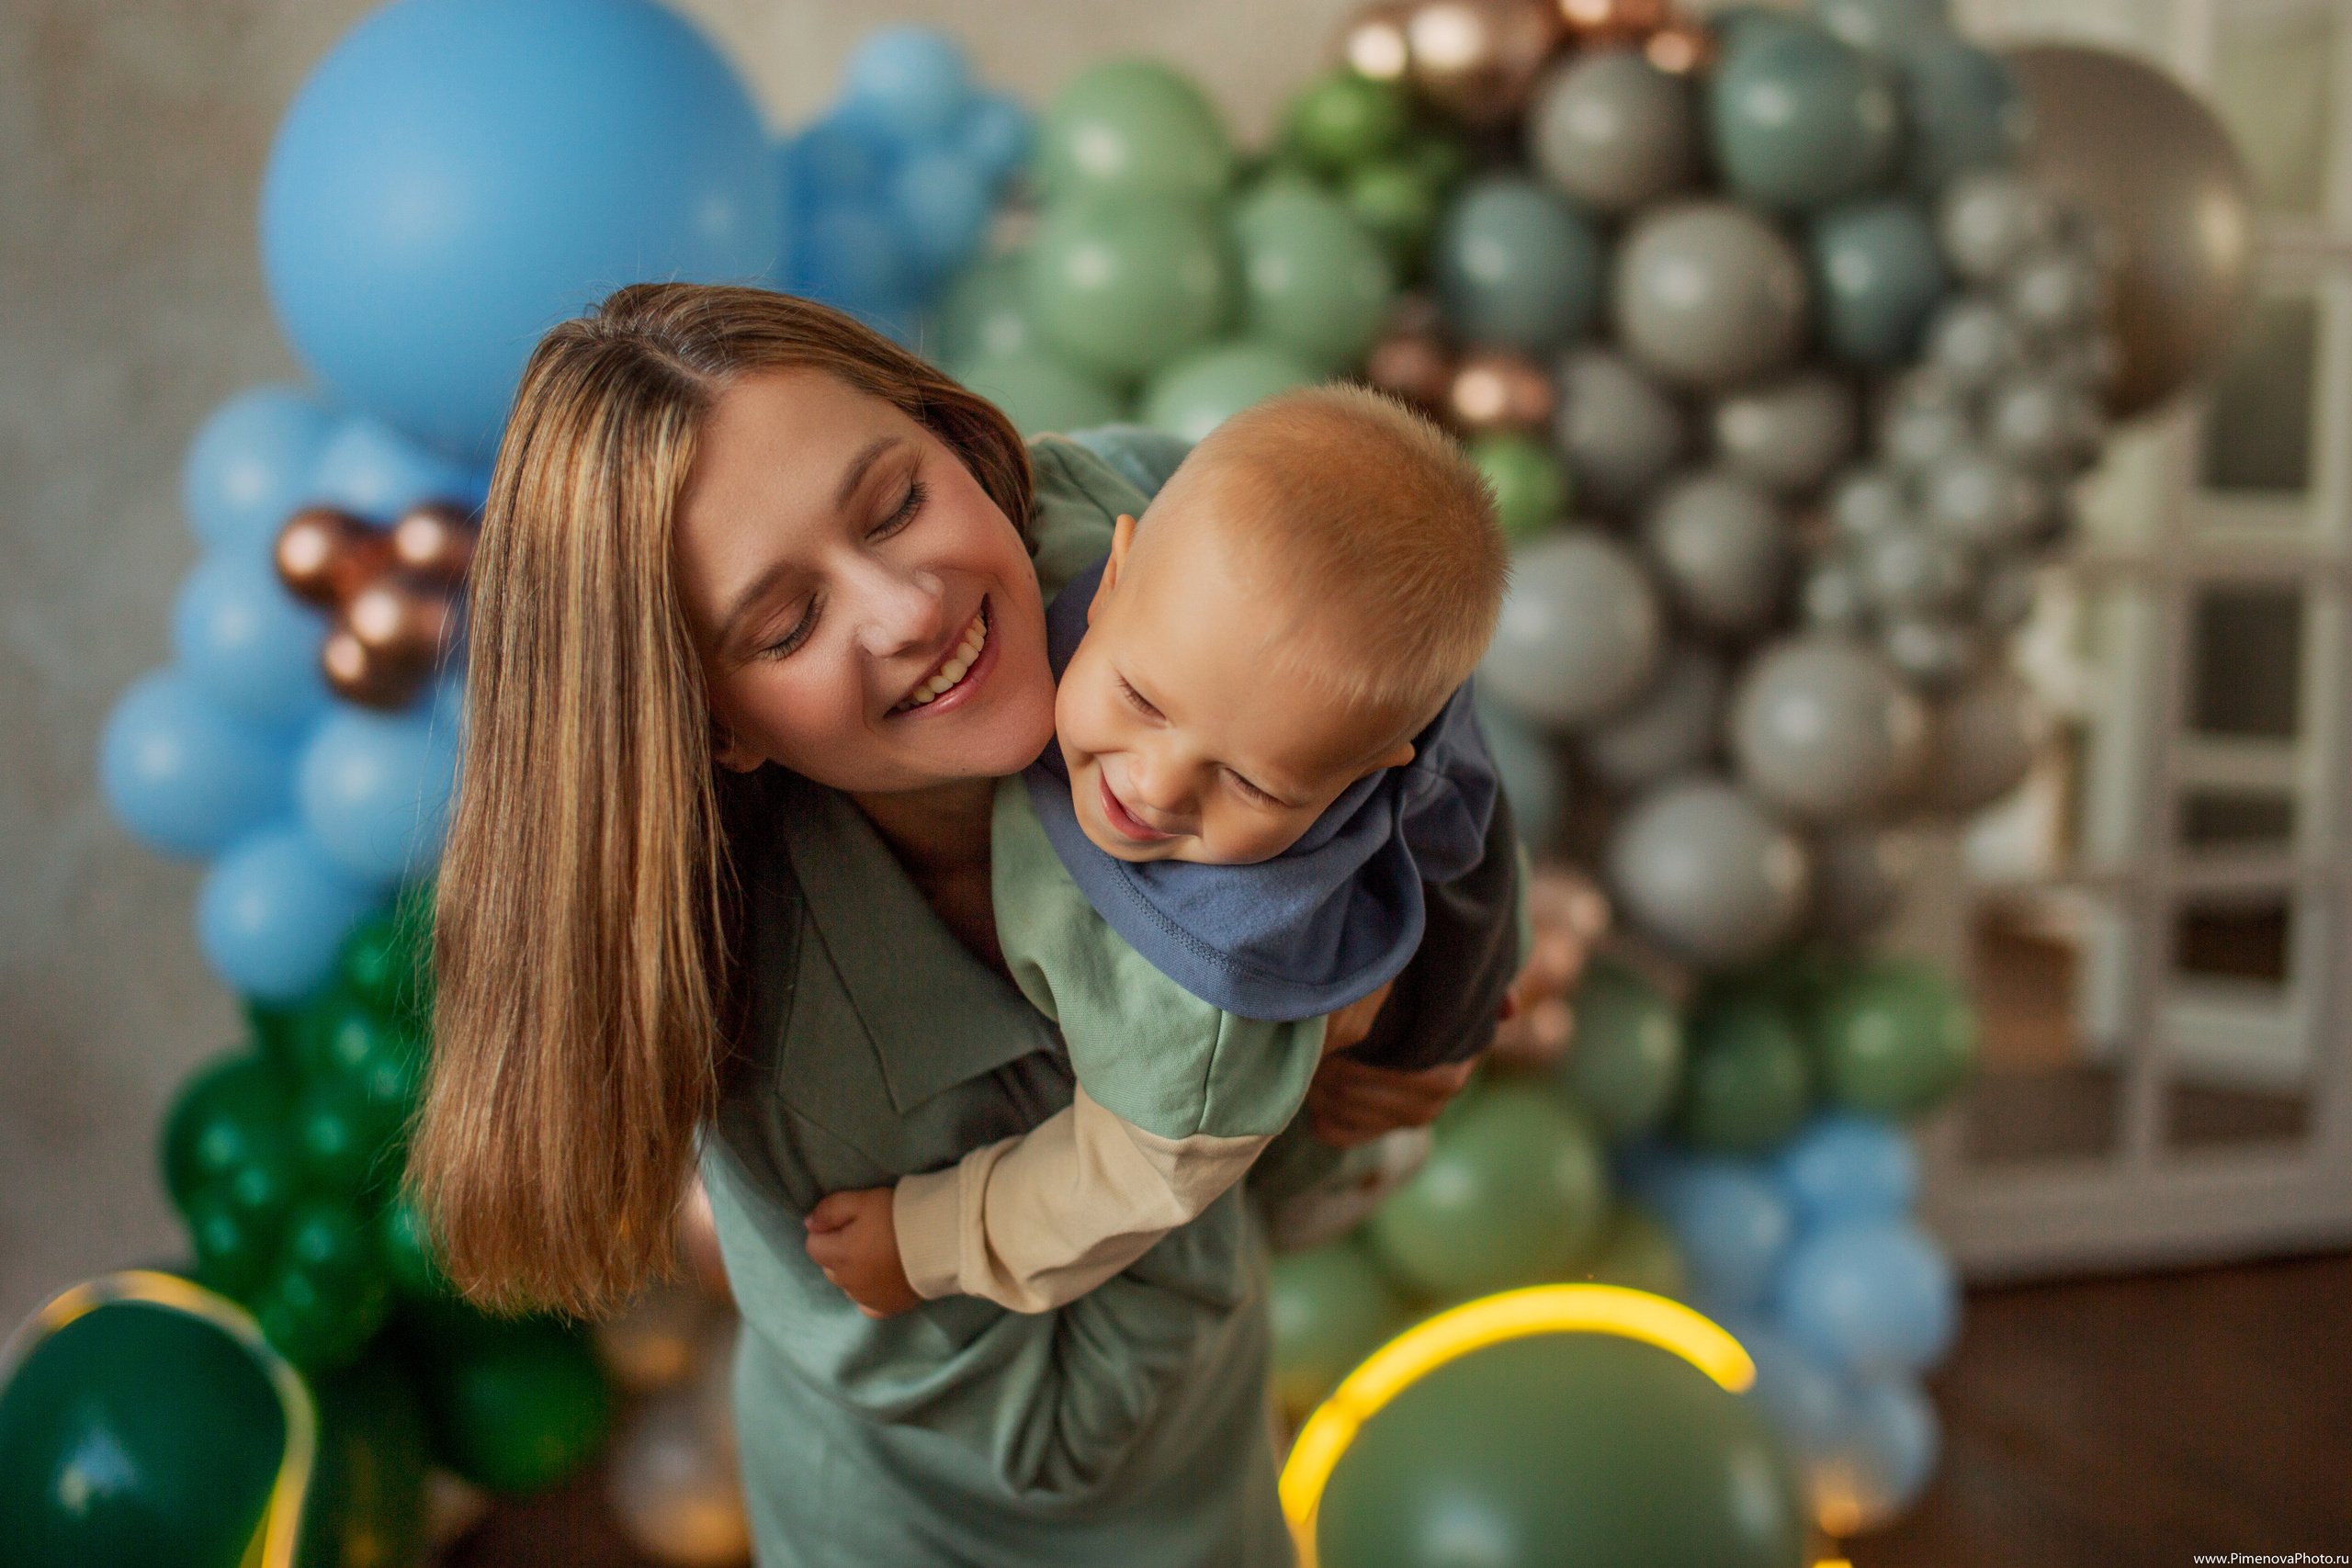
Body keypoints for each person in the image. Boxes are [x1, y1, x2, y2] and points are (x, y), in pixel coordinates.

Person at [408, 283, 1580, 1566]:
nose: (909, 607)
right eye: (788, 621)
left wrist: (1439, 996)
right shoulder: (801, 1059)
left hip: (1219, 1459)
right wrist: (1265, 1062)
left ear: (955, 439)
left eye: (898, 501)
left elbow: (1409, 683)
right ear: (720, 724)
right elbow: (1058, 1442)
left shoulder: (1154, 519)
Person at [800, 385, 1519, 1320]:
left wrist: (931, 1238)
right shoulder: (1068, 525)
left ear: (1364, 772)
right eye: (1142, 700)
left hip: (1314, 1136)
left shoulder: (1202, 1005)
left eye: (1254, 784)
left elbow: (1124, 1186)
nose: (1155, 787)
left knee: (1279, 1209)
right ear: (1112, 572)